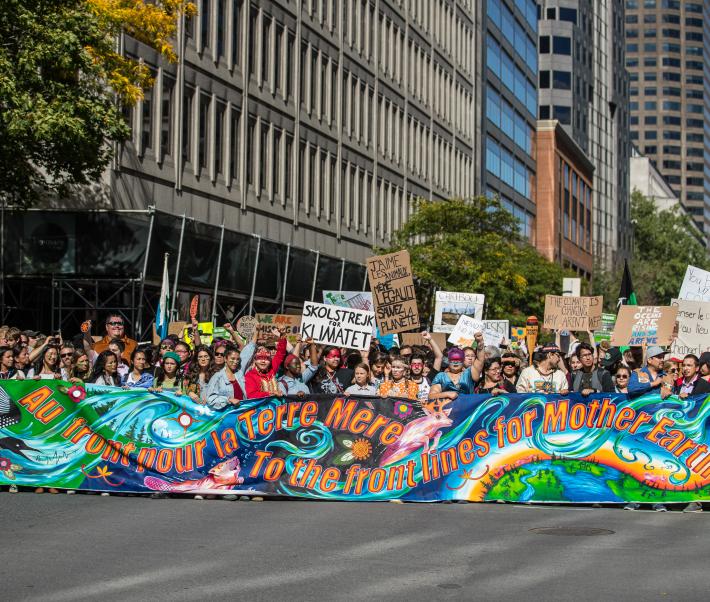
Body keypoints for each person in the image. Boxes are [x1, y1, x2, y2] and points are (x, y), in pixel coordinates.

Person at [429, 333, 485, 400]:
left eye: (458, 360)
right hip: (447, 408)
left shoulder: (469, 373)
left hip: (468, 408)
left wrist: (480, 343)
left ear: (463, 361)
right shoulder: (441, 376)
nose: (455, 362)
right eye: (453, 360)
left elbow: (480, 360)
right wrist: (447, 394)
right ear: (448, 361)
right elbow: (431, 396)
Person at [205, 343, 256, 409]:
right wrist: (228, 400)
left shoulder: (239, 373)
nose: (235, 362)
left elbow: (248, 353)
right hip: (227, 415)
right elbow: (210, 399)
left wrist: (255, 333)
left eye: (237, 359)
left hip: (242, 413)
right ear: (225, 359)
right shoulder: (217, 377)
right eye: (232, 358)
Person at [244, 330, 287, 398]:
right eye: (260, 358)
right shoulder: (250, 376)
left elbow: (280, 353)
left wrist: (282, 334)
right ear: (255, 360)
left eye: (266, 358)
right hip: (260, 408)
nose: (263, 361)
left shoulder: (271, 370)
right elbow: (251, 395)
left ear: (270, 361)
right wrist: (271, 393)